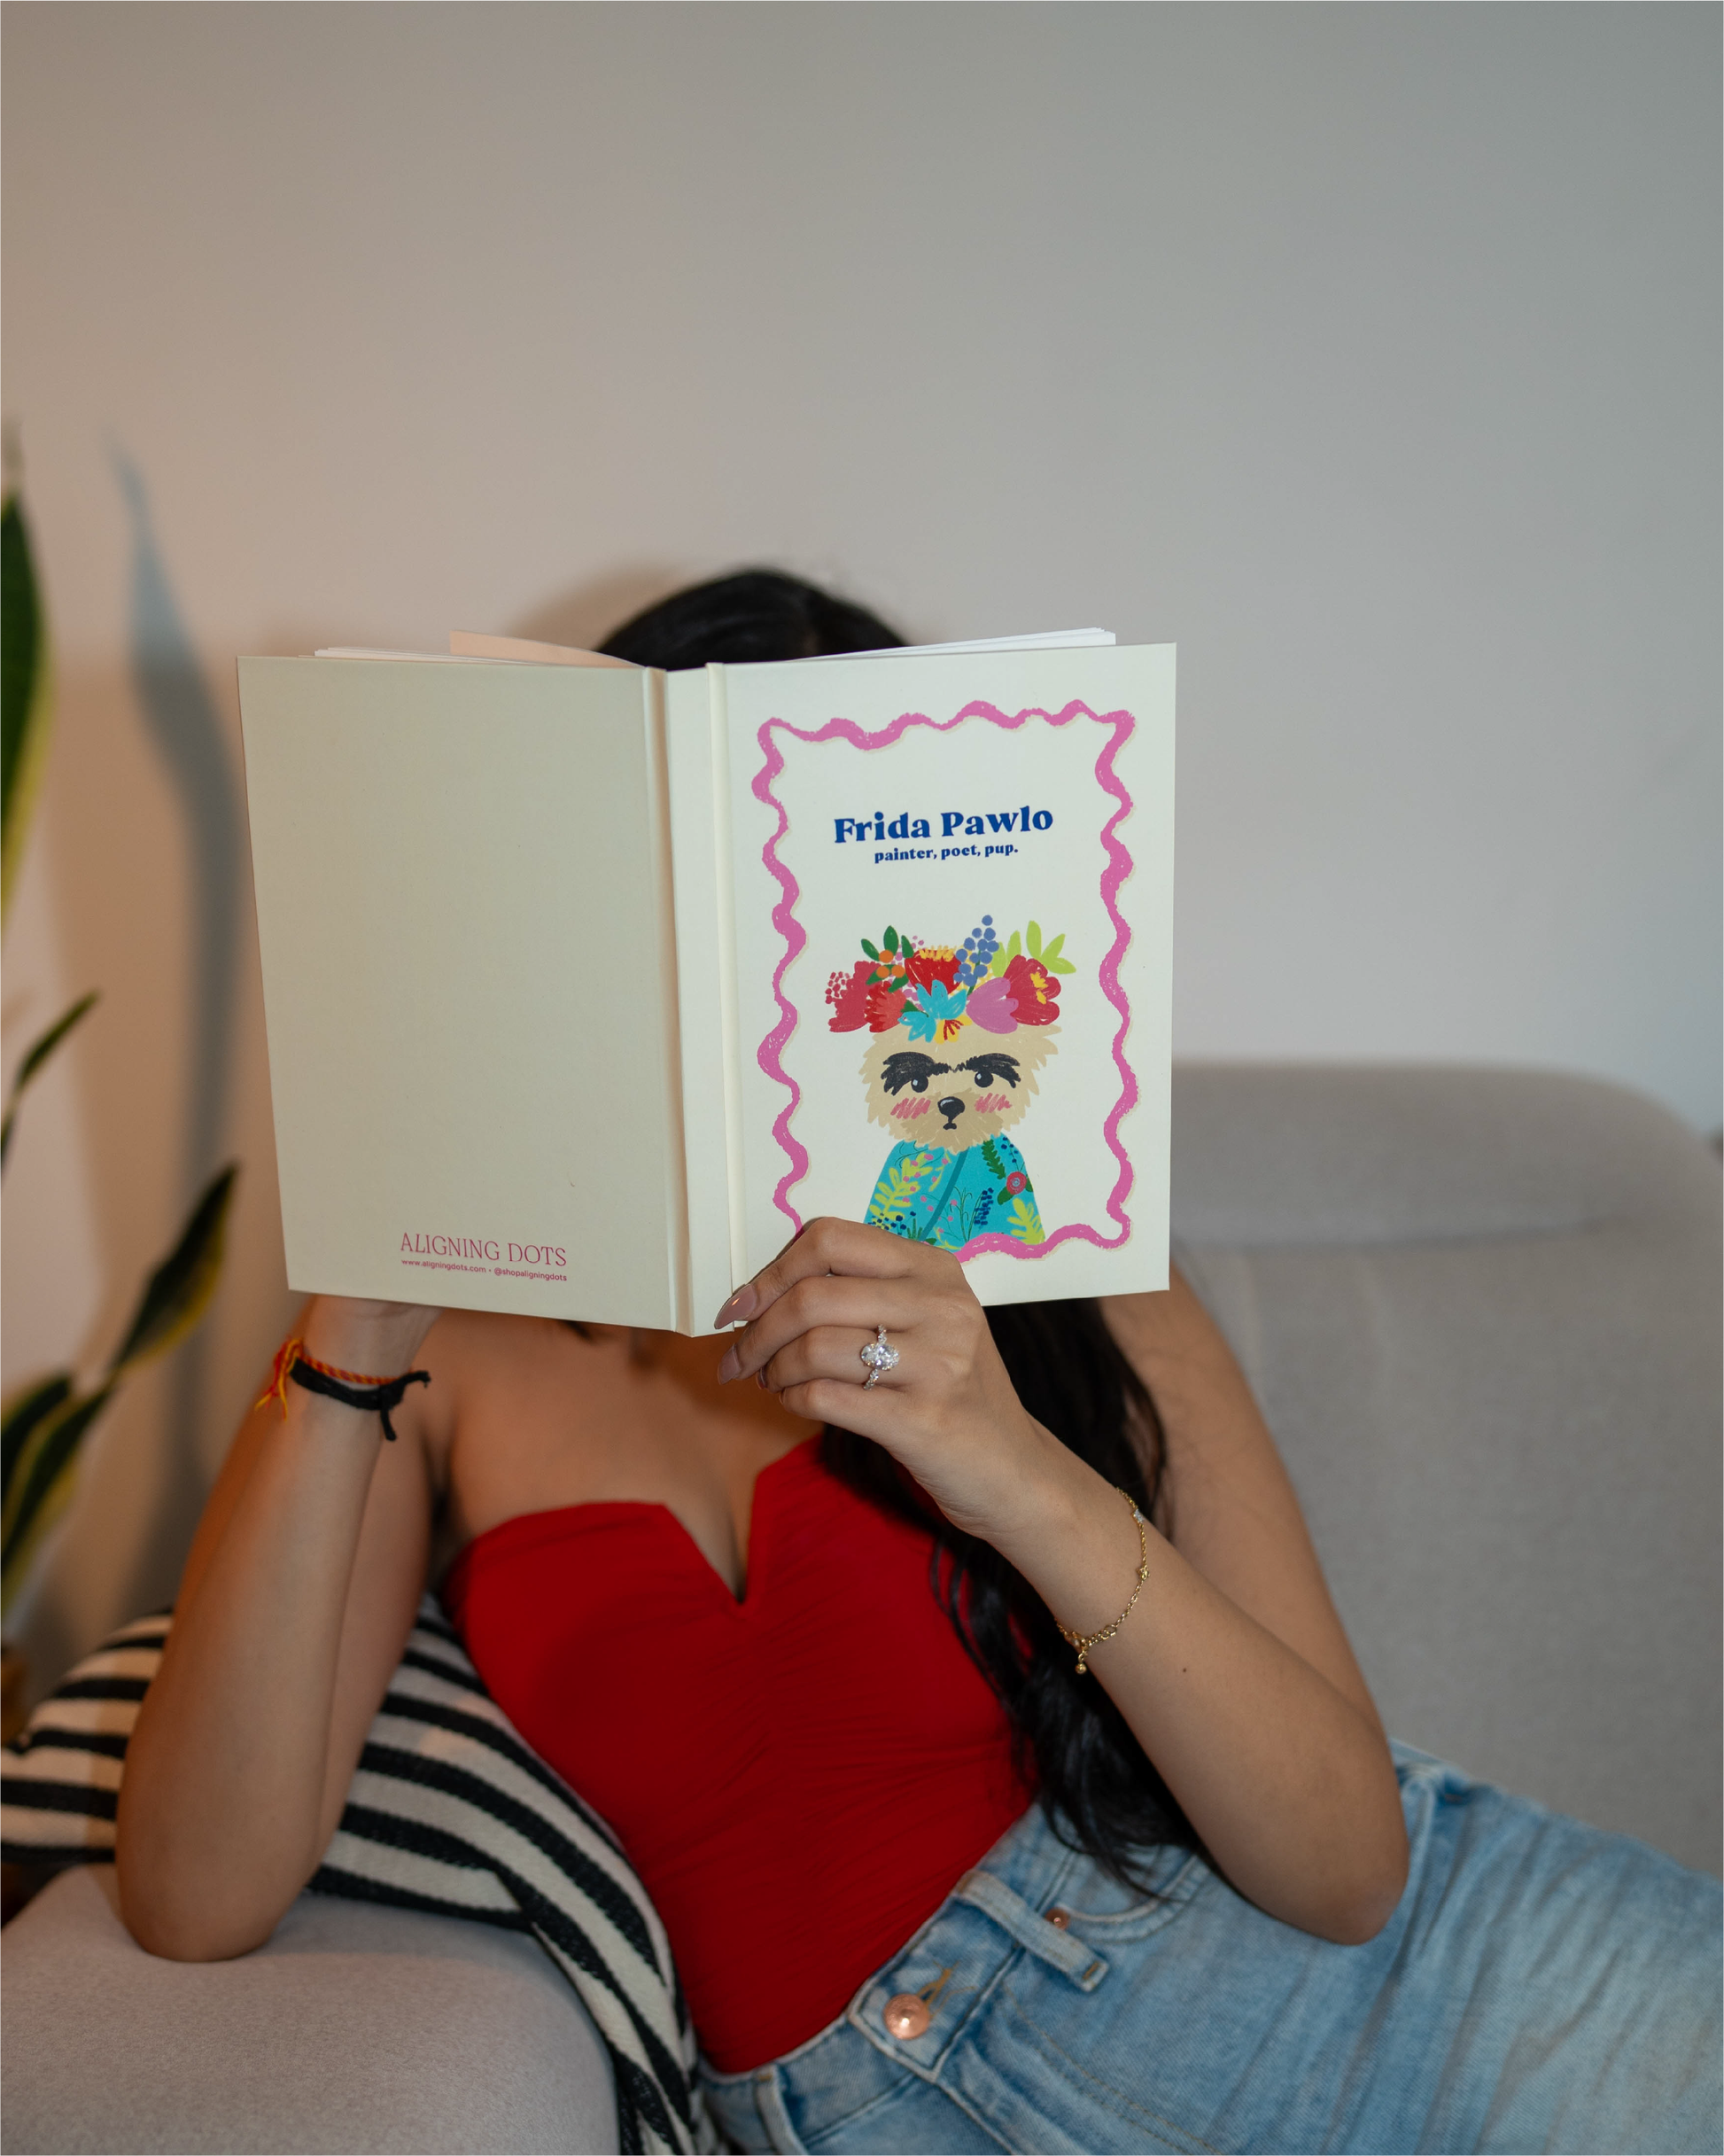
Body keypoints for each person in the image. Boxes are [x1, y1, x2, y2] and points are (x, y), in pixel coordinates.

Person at [116, 573, 1720, 2155]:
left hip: (1435, 2005)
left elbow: (1348, 1873)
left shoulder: (1061, 1261)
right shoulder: (440, 1348)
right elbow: (194, 1897)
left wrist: (1001, 1457)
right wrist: (351, 1324)